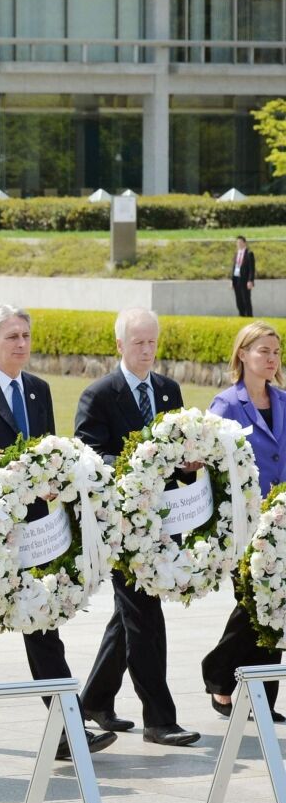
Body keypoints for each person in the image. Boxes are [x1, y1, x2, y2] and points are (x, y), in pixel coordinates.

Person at [0, 305, 117, 758]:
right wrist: (4, 466)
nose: (21, 344)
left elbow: (51, 454)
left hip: (36, 533)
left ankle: (66, 730)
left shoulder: (38, 390)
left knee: (43, 626)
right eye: (12, 336)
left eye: (26, 336)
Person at [76, 307, 201, 747]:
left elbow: (181, 454)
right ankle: (160, 719)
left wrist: (188, 466)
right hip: (121, 526)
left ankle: (93, 701)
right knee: (145, 615)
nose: (147, 351)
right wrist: (139, 466)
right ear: (119, 346)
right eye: (138, 343)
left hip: (166, 522)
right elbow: (90, 458)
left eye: (152, 342)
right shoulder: (99, 395)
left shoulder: (168, 390)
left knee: (127, 617)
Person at [204, 322, 286, 721]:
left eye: (276, 351)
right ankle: (218, 672)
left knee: (278, 605)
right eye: (263, 351)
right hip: (245, 525)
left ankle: (261, 701)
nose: (271, 359)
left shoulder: (285, 402)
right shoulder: (225, 405)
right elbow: (210, 466)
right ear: (243, 355)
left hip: (283, 523)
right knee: (254, 607)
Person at [232, 235, 256, 318]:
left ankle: (249, 316)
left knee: (246, 299)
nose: (239, 244)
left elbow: (252, 269)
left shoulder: (249, 253)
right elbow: (234, 268)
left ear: (245, 243)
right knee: (238, 299)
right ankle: (241, 315)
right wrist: (232, 281)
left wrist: (250, 280)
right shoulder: (236, 254)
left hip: (245, 280)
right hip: (236, 279)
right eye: (237, 243)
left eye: (240, 242)